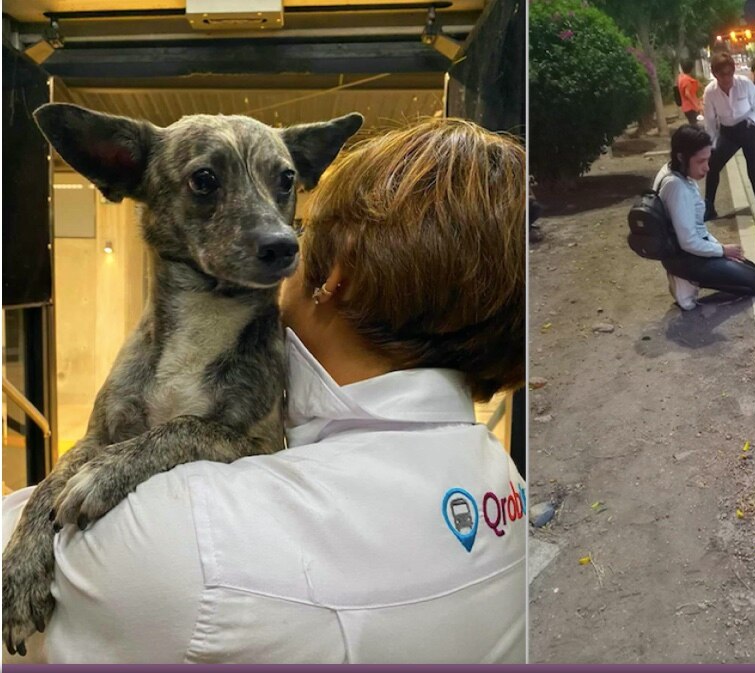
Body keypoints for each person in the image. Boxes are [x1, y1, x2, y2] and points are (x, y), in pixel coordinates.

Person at [1, 118, 527, 663]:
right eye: (206, 182)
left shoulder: (190, 539)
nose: (279, 232)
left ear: (337, 275)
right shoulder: (508, 480)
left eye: (285, 189)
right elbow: (94, 451)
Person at [655, 124, 755, 310]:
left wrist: (719, 251)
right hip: (686, 258)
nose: (707, 168)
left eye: (708, 160)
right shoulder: (676, 187)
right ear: (681, 157)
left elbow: (697, 228)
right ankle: (689, 280)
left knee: (750, 268)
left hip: (688, 252)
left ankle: (695, 276)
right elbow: (688, 242)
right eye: (701, 162)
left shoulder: (671, 170)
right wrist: (722, 251)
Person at [702, 51, 755, 226]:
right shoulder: (710, 92)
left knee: (754, 171)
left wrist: (751, 121)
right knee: (712, 166)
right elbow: (709, 121)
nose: (727, 78)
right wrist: (711, 145)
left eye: (730, 73)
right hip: (728, 133)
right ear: (714, 73)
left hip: (750, 130)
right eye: (722, 74)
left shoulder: (744, 84)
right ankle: (709, 206)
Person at [677, 58, 703, 125]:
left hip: (686, 107)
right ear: (691, 68)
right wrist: (696, 106)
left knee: (693, 125)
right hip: (691, 107)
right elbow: (687, 94)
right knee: (695, 125)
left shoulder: (681, 78)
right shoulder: (687, 80)